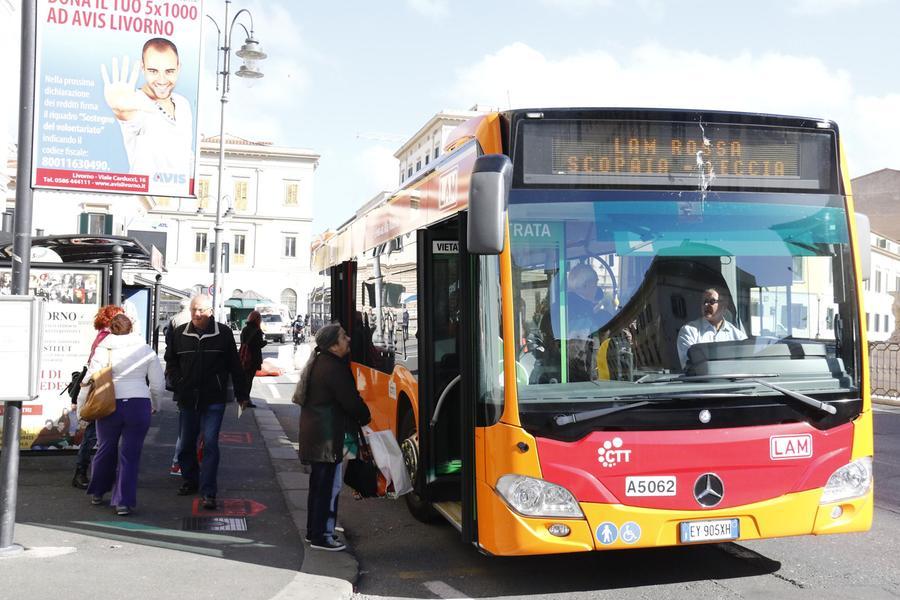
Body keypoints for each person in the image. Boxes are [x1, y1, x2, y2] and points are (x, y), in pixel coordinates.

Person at [164, 294, 251, 510]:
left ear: (210, 311)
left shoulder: (223, 333)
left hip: (214, 397)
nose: (196, 314)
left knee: (210, 443)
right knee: (186, 444)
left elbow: (234, 365)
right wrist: (178, 382)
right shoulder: (179, 333)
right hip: (187, 397)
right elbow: (171, 361)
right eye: (194, 309)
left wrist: (242, 394)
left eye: (201, 310)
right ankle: (191, 479)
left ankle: (208, 491)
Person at [293, 324, 371, 552]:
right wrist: (365, 416)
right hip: (327, 437)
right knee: (328, 486)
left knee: (319, 485)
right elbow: (350, 400)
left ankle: (314, 532)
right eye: (343, 337)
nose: (348, 339)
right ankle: (323, 536)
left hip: (318, 434)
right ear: (334, 345)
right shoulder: (334, 368)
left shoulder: (321, 361)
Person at [84, 314, 164, 516]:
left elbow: (91, 377)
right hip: (138, 403)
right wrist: (156, 404)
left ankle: (98, 491)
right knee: (130, 454)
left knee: (105, 448)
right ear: (133, 328)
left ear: (111, 328)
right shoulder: (146, 350)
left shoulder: (104, 348)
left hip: (109, 402)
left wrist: (81, 408)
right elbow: (157, 384)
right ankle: (123, 502)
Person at [101, 37, 193, 192]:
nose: (162, 80)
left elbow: (186, 156)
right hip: (145, 206)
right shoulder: (135, 102)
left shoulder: (183, 104)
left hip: (180, 206)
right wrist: (119, 109)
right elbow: (128, 118)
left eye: (169, 71)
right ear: (143, 68)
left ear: (179, 68)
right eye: (153, 71)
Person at [71, 305, 125, 488]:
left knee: (96, 434)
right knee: (93, 434)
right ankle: (82, 473)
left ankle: (85, 472)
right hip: (103, 391)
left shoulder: (105, 336)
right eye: (119, 316)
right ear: (110, 319)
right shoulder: (107, 338)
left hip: (104, 389)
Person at [676, 287, 748, 368]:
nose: (706, 305)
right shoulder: (689, 331)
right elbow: (689, 366)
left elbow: (744, 366)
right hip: (699, 380)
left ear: (723, 305)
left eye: (711, 301)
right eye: (704, 302)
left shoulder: (738, 336)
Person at [239, 310, 266, 405]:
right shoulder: (257, 331)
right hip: (253, 358)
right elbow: (257, 345)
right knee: (249, 379)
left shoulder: (245, 329)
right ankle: (246, 400)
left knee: (244, 378)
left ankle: (243, 397)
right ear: (258, 319)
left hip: (244, 357)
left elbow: (243, 341)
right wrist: (265, 342)